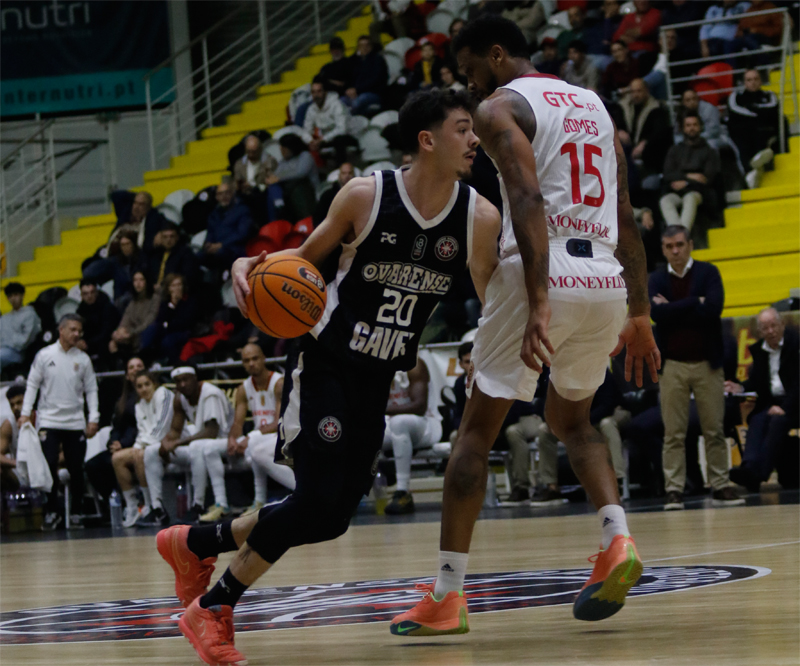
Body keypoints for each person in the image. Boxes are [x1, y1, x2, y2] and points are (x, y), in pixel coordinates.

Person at [154, 88, 498, 666]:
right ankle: (212, 608)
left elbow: (493, 302)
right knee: (314, 500)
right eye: (464, 129)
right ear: (427, 139)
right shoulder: (366, 195)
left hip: (378, 377)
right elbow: (296, 266)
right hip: (324, 364)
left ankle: (194, 543)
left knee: (333, 518)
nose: (474, 140)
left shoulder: (478, 217)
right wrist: (246, 264)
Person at [391, 15, 660, 635]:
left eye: (469, 70)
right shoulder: (594, 105)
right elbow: (623, 213)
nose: (468, 84)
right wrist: (640, 312)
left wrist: (538, 298)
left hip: (544, 269)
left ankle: (447, 597)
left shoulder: (500, 108)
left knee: (474, 436)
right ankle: (617, 538)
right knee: (573, 419)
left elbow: (529, 199)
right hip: (606, 282)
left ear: (494, 55)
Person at [648, 225, 744, 510]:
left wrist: (674, 308)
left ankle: (721, 484)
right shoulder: (656, 278)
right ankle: (674, 489)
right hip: (672, 366)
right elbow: (656, 314)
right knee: (673, 433)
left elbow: (714, 309)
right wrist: (694, 302)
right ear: (663, 249)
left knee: (714, 429)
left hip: (707, 364)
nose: (675, 251)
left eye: (679, 244)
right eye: (669, 246)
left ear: (690, 244)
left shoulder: (708, 272)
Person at [20, 314, 99, 530]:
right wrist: (26, 413)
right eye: (73, 329)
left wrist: (93, 418)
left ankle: (75, 512)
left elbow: (91, 389)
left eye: (79, 330)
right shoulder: (44, 355)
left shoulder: (83, 359)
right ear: (61, 330)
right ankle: (51, 512)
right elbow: (32, 385)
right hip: (49, 421)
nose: (77, 334)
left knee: (76, 468)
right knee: (49, 466)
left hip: (75, 422)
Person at [202, 343, 294, 522]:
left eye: (255, 358)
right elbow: (238, 423)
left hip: (282, 438)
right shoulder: (243, 389)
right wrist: (232, 439)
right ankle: (222, 504)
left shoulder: (279, 383)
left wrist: (249, 437)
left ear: (263, 359)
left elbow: (278, 423)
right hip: (259, 440)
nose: (251, 363)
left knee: (254, 446)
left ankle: (268, 498)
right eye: (246, 360)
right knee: (208, 449)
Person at [141, 365, 234, 527]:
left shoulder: (209, 393)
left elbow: (212, 432)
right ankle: (157, 509)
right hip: (200, 445)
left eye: (186, 379)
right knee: (150, 451)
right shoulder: (180, 397)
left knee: (197, 446)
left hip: (225, 440)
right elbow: (176, 430)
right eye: (178, 381)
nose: (182, 384)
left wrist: (178, 442)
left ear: (195, 379)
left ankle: (198, 505)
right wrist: (167, 441)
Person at [727, 309, 799, 492]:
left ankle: (759, 475)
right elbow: (757, 383)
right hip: (772, 402)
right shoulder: (759, 351)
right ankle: (749, 467)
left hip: (794, 402)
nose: (770, 331)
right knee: (758, 419)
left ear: (782, 325)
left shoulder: (796, 345)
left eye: (773, 326)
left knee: (777, 421)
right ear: (760, 332)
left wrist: (785, 408)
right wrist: (741, 387)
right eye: (765, 328)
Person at [113, 370, 174, 527]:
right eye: (139, 386)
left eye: (147, 384)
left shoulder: (163, 394)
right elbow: (142, 431)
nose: (144, 389)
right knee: (117, 458)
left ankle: (150, 506)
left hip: (169, 445)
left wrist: (141, 446)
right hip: (149, 445)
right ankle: (132, 506)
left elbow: (162, 427)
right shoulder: (139, 405)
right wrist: (137, 446)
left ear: (154, 384)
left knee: (141, 454)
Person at [383, 357, 442, 515]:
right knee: (360, 429)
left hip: (425, 426)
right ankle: (351, 494)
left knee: (399, 422)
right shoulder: (375, 364)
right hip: (392, 425)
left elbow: (419, 407)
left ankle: (403, 492)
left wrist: (377, 410)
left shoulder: (414, 364)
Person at [84, 357, 143, 508]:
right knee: (93, 465)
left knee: (116, 461)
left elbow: (140, 427)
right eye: (131, 367)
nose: (135, 370)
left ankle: (132, 504)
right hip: (121, 445)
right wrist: (113, 443)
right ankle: (114, 503)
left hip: (139, 443)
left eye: (139, 366)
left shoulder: (146, 397)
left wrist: (123, 444)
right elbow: (116, 427)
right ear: (127, 375)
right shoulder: (122, 401)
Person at [659, 113, 721, 231]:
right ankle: (679, 235)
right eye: (688, 125)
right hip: (675, 190)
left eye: (694, 125)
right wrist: (689, 177)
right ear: (683, 128)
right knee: (665, 201)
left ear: (700, 127)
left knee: (690, 198)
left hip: (699, 192)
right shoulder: (675, 150)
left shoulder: (709, 151)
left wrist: (686, 183)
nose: (691, 128)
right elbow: (667, 174)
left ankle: (681, 236)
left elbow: (707, 178)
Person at [727, 69, 781, 182]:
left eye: (756, 79)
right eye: (749, 80)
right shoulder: (735, 97)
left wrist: (750, 109)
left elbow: (773, 109)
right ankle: (753, 168)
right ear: (744, 83)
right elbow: (735, 112)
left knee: (761, 132)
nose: (753, 82)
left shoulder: (769, 95)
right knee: (742, 136)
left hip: (763, 130)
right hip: (743, 132)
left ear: (761, 81)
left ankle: (754, 169)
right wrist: (759, 113)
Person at [139, 274, 199, 365]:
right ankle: (143, 359)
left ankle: (170, 364)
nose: (177, 288)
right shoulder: (165, 303)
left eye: (179, 285)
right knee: (150, 330)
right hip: (167, 330)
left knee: (167, 341)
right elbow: (160, 319)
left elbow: (184, 322)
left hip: (184, 332)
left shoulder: (189, 302)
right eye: (173, 286)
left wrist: (167, 325)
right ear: (169, 288)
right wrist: (172, 305)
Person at [199, 178, 253, 275]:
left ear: (232, 193)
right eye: (220, 194)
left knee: (221, 253)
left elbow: (242, 234)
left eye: (226, 193)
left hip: (234, 249)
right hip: (217, 249)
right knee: (198, 256)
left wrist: (222, 244)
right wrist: (208, 245)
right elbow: (210, 233)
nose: (223, 196)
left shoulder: (242, 210)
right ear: (216, 197)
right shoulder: (213, 214)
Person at [304, 78, 357, 166]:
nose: (316, 95)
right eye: (313, 92)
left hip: (348, 137)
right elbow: (306, 129)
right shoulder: (311, 109)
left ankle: (341, 171)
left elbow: (342, 129)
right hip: (326, 140)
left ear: (325, 92)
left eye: (319, 91)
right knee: (300, 144)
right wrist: (310, 141)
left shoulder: (337, 104)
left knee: (339, 140)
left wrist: (322, 139)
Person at [109, 271, 160, 357]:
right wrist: (117, 334)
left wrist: (129, 333)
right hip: (132, 336)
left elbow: (149, 322)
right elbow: (125, 320)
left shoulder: (155, 299)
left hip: (146, 335)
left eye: (141, 280)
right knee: (112, 343)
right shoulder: (133, 302)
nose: (138, 283)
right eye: (135, 280)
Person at [141, 221, 200, 292]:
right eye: (165, 237)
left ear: (177, 237)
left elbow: (187, 278)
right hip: (152, 292)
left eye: (172, 236)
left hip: (172, 292)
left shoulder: (185, 254)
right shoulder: (155, 253)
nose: (168, 240)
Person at [75, 279, 121, 365]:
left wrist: (88, 343)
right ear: (81, 295)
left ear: (96, 292)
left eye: (92, 292)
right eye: (85, 293)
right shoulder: (81, 310)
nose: (89, 296)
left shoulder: (107, 307)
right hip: (89, 343)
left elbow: (107, 332)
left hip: (106, 342)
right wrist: (79, 341)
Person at [341, 35, 388, 116]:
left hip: (373, 93)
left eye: (367, 45)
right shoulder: (353, 61)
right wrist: (348, 89)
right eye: (361, 46)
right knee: (341, 102)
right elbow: (347, 78)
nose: (364, 48)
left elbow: (376, 80)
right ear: (358, 47)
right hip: (355, 93)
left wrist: (357, 90)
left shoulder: (378, 60)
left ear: (371, 46)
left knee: (359, 101)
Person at [0, 282, 41, 369]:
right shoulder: (4, 318)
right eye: (10, 296)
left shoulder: (30, 314)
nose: (13, 298)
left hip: (19, 354)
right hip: (4, 350)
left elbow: (25, 341)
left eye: (16, 295)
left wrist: (7, 341)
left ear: (22, 295)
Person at [1, 385, 26, 488]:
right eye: (12, 405)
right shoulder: (9, 424)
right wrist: (17, 463)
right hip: (19, 471)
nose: (15, 408)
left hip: (44, 468)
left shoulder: (42, 420)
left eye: (19, 403)